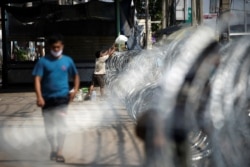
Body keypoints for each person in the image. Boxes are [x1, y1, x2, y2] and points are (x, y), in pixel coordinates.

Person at [32, 34, 80, 163]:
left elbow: (75, 76)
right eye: (54, 47)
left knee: (61, 124)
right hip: (47, 99)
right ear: (50, 47)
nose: (56, 49)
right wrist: (39, 97)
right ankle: (53, 148)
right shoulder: (43, 62)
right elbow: (37, 79)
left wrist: (75, 90)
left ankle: (59, 151)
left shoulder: (68, 61)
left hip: (62, 99)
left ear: (62, 46)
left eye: (58, 47)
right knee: (49, 127)